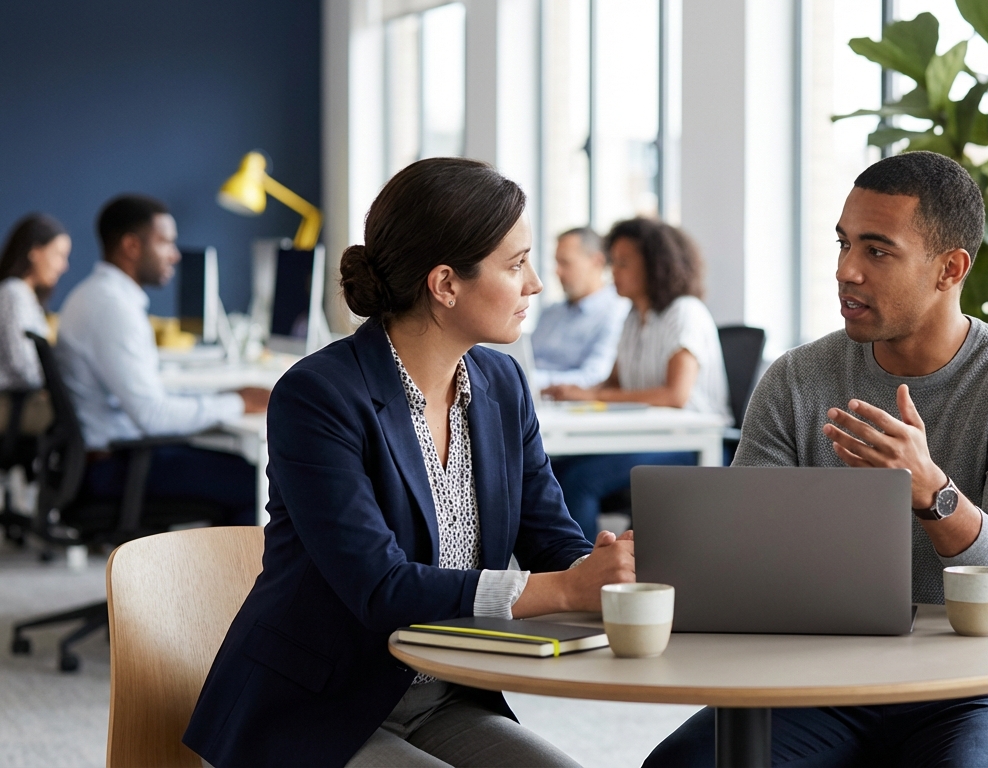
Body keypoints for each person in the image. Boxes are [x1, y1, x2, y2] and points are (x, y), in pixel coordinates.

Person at [184, 158, 635, 768]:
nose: (534, 284)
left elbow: (551, 538)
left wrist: (608, 568)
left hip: (443, 698)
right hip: (314, 711)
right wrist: (560, 590)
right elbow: (380, 587)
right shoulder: (318, 395)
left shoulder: (502, 383)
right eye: (514, 264)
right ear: (446, 284)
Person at [644, 151, 988, 767]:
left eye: (877, 251)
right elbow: (743, 559)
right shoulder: (795, 379)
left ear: (949, 269)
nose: (846, 270)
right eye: (844, 244)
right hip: (816, 683)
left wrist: (931, 492)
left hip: (983, 687)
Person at [55, 195, 269, 526]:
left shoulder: (97, 295)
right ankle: (232, 577)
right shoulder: (112, 308)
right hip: (117, 467)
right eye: (165, 242)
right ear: (131, 246)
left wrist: (226, 399)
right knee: (261, 484)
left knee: (243, 470)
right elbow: (152, 416)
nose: (175, 253)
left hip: (113, 456)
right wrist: (238, 402)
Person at [542, 218, 730, 540]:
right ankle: (564, 573)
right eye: (613, 262)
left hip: (692, 445)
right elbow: (613, 384)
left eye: (624, 263)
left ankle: (585, 577)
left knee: (579, 481)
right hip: (651, 438)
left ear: (655, 265)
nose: (613, 271)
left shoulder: (685, 312)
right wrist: (578, 392)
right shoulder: (632, 316)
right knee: (553, 472)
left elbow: (675, 395)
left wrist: (593, 397)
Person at [529, 226, 629, 389]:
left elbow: (594, 377)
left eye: (565, 263)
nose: (557, 272)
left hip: (572, 407)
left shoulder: (616, 313)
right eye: (556, 262)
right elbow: (525, 361)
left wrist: (526, 380)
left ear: (597, 261)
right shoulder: (550, 313)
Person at [0, 214, 71, 435]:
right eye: (58, 255)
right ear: (35, 252)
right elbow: (21, 364)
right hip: (12, 404)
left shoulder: (26, 296)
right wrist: (54, 383)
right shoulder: (14, 292)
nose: (64, 266)